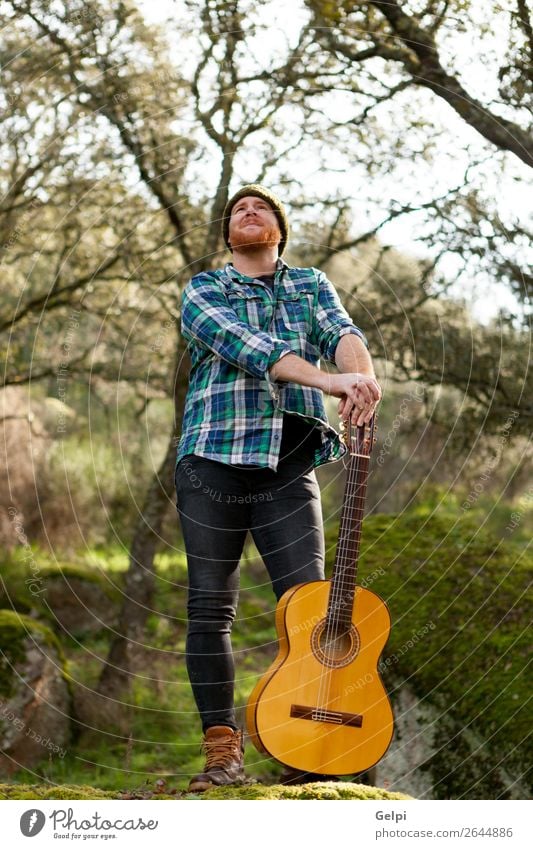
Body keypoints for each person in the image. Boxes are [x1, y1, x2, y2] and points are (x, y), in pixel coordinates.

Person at [175, 184, 381, 792]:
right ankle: (222, 753)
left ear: (279, 228)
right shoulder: (204, 291)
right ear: (229, 233)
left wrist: (363, 381)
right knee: (211, 605)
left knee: (311, 609)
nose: (248, 209)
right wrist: (331, 381)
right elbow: (251, 349)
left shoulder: (311, 285)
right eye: (238, 208)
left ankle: (312, 749)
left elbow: (343, 333)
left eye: (260, 205)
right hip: (213, 457)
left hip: (290, 462)